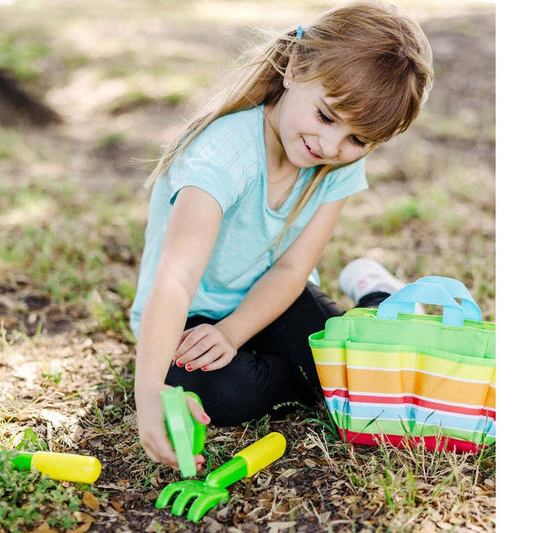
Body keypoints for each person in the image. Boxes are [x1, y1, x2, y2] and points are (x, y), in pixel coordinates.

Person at [130, 0, 433, 472]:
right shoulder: (222, 155)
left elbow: (292, 269)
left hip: (275, 299)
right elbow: (176, 277)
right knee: (226, 394)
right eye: (327, 117)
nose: (331, 147)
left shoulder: (334, 164)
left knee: (366, 374)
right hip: (188, 311)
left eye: (357, 141)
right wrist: (149, 394)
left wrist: (233, 332)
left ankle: (377, 296)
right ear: (295, 67)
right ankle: (309, 374)